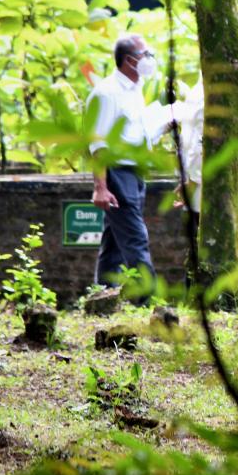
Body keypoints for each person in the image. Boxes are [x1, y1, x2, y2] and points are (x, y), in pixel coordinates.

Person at [88, 34, 163, 290]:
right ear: (130, 61)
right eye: (145, 55)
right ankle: (147, 296)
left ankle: (103, 292)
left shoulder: (135, 89)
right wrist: (101, 186)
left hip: (134, 173)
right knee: (135, 236)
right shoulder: (107, 93)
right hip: (117, 173)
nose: (149, 60)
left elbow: (134, 133)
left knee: (114, 237)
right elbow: (97, 145)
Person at [171, 77, 238, 221]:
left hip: (212, 186)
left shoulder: (204, 95)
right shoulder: (229, 91)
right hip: (223, 183)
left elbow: (201, 144)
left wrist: (192, 181)